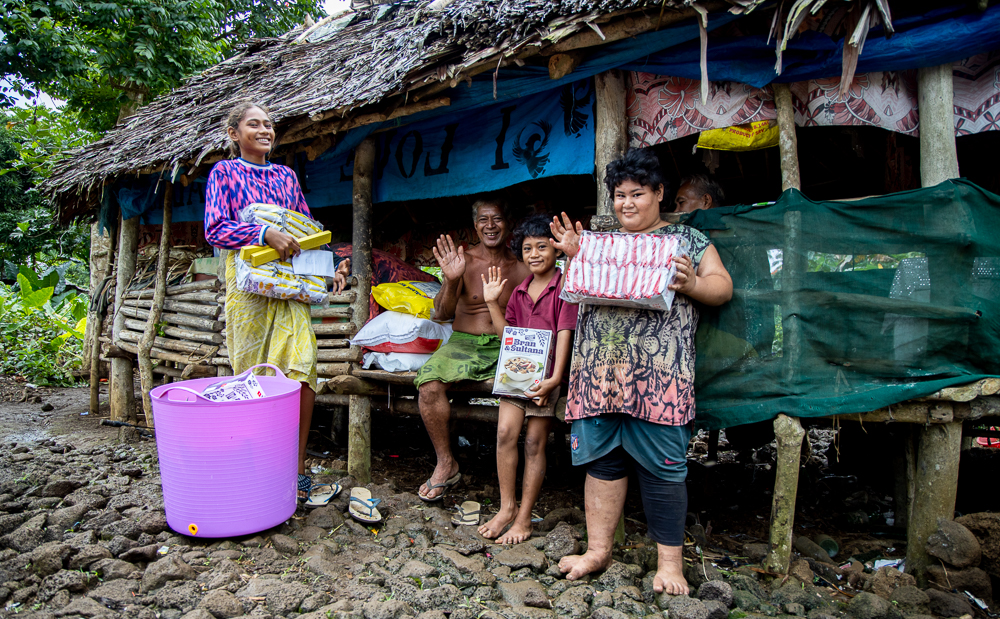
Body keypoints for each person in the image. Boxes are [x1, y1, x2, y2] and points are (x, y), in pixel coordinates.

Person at [549, 148, 733, 595]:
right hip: (598, 373)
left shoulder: (688, 241)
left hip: (660, 377)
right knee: (600, 462)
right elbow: (572, 290)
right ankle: (598, 551)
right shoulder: (597, 240)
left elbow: (723, 287)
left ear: (659, 193)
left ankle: (670, 565)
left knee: (664, 468)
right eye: (620, 195)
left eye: (637, 194)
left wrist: (693, 284)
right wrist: (574, 255)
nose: (627, 203)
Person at [204, 101, 349, 504]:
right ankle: (255, 469)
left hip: (290, 287)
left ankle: (297, 469)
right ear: (234, 134)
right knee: (251, 375)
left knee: (301, 368)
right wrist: (263, 233)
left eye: (268, 125)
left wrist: (328, 266)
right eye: (254, 124)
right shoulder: (224, 173)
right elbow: (215, 229)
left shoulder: (286, 176)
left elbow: (305, 230)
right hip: (248, 287)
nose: (265, 130)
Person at [414, 197, 530, 502]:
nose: (490, 226)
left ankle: (522, 483)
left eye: (497, 218)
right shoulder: (463, 261)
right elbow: (441, 314)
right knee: (428, 385)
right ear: (475, 225)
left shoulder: (522, 265)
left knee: (530, 392)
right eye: (483, 220)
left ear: (509, 222)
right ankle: (446, 463)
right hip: (465, 343)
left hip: (507, 343)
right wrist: (451, 280)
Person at [477, 214, 578, 543]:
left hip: (547, 378)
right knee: (505, 433)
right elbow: (507, 336)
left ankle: (524, 518)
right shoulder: (519, 291)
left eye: (542, 247)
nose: (534, 254)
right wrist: (492, 301)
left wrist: (555, 379)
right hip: (517, 375)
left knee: (535, 442)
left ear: (556, 250)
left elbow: (565, 333)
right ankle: (507, 507)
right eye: (527, 248)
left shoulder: (564, 286)